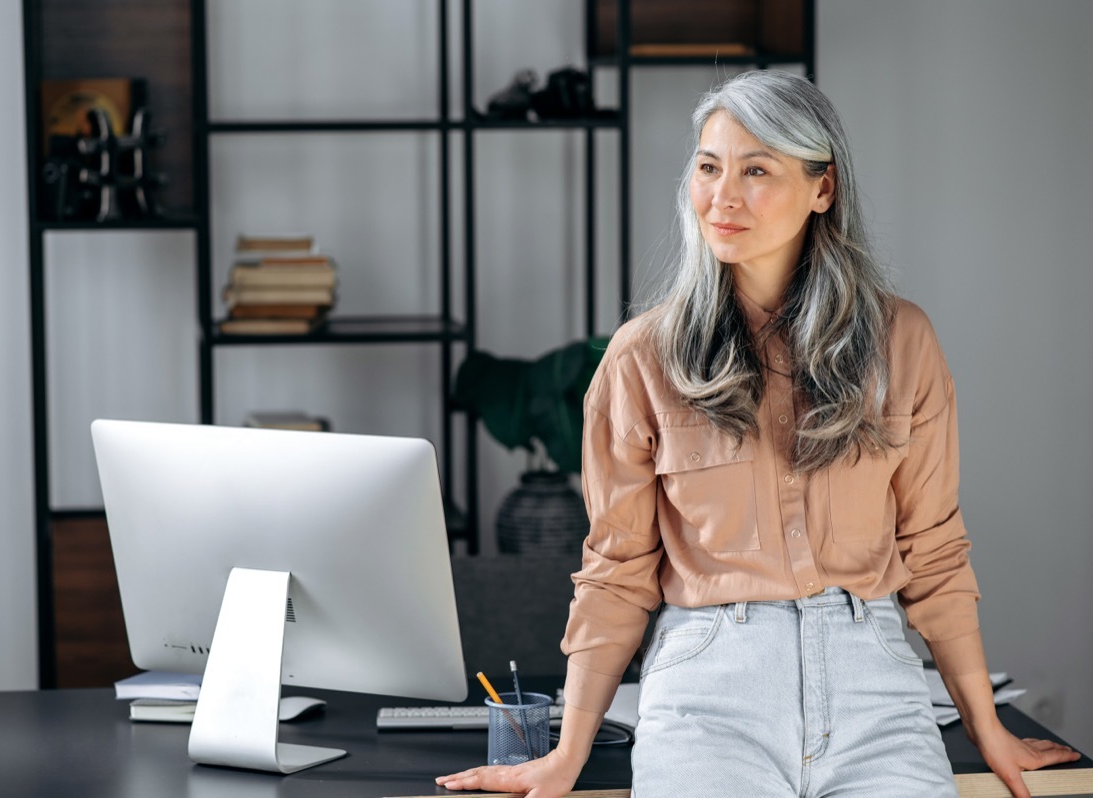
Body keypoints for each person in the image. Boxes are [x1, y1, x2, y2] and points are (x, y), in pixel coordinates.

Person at [437, 71, 1079, 798]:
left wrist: (985, 725)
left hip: (877, 690)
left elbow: (933, 550)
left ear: (823, 188)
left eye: (757, 170)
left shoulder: (902, 341)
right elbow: (617, 568)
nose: (723, 195)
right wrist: (567, 753)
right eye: (709, 167)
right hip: (710, 691)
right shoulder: (643, 357)